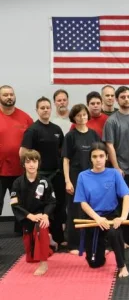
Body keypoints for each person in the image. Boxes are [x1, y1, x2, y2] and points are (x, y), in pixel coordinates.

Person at [74, 142, 129, 277]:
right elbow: (83, 203)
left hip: (111, 215)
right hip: (93, 217)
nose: (98, 159)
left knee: (113, 233)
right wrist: (97, 218)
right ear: (91, 158)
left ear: (106, 157)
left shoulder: (114, 174)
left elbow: (126, 196)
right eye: (95, 156)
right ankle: (102, 250)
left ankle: (122, 265)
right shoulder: (83, 176)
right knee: (95, 263)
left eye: (101, 156)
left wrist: (122, 217)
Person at [20, 97, 66, 247]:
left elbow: (61, 151)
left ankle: (59, 238)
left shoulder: (56, 130)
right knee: (41, 207)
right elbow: (23, 152)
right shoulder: (32, 130)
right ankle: (41, 240)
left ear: (50, 109)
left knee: (58, 206)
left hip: (56, 174)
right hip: (41, 176)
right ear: (37, 110)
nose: (45, 110)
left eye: (47, 107)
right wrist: (31, 172)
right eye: (42, 108)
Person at [102, 86, 129, 245]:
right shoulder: (112, 120)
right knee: (123, 205)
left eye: (128, 96)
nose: (126, 99)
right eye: (123, 97)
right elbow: (110, 146)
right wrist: (117, 167)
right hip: (122, 171)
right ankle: (124, 238)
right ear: (117, 100)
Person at [10, 149, 56, 275]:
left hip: (41, 216)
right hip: (27, 216)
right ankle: (50, 244)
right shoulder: (17, 183)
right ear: (23, 164)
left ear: (38, 163)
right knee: (31, 258)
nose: (31, 164)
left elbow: (51, 202)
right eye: (28, 161)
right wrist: (29, 216)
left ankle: (44, 264)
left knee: (41, 230)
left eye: (35, 161)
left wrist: (46, 216)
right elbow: (15, 204)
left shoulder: (45, 182)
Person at [62, 104, 100, 254]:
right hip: (75, 177)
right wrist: (67, 181)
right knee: (74, 210)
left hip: (92, 177)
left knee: (91, 208)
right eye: (78, 115)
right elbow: (66, 160)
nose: (82, 117)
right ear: (74, 118)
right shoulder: (70, 136)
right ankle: (74, 244)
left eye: (84, 114)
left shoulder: (94, 134)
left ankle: (92, 242)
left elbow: (99, 158)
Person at [0, 85, 33, 232]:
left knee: (21, 204)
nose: (9, 97)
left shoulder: (25, 118)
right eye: (5, 95)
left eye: (11, 94)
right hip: (0, 171)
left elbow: (33, 142)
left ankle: (23, 235)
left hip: (20, 170)